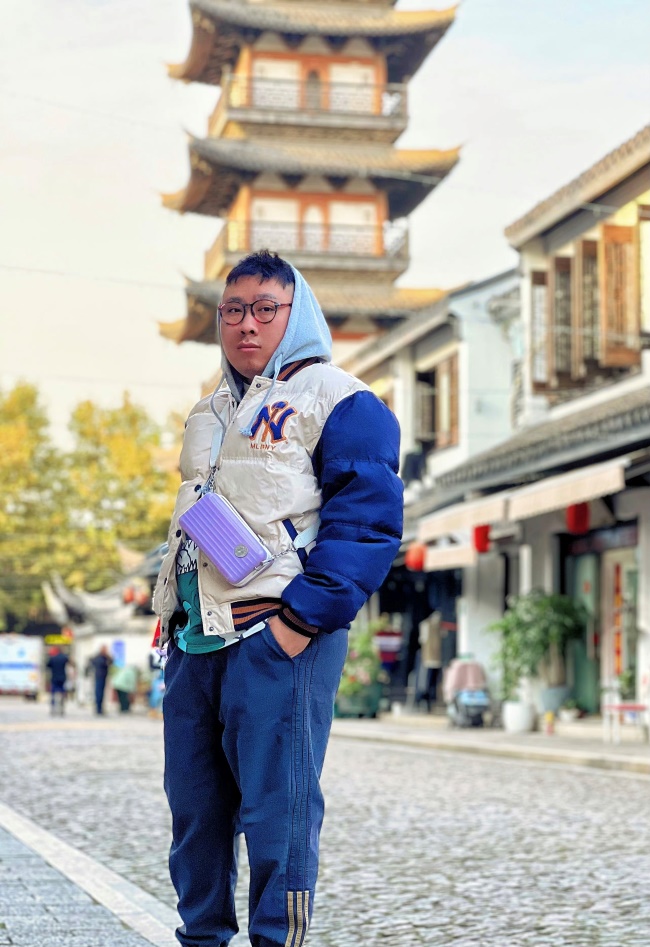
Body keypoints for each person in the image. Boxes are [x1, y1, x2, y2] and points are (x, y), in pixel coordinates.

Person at [153, 250, 403, 947]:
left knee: (278, 813)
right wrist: (170, 608)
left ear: (297, 315)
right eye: (233, 310)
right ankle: (201, 938)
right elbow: (195, 520)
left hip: (277, 636)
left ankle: (277, 941)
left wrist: (299, 624)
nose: (247, 324)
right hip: (196, 642)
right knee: (195, 813)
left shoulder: (341, 399)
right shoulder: (208, 411)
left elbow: (367, 525)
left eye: (266, 309)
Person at [46, 646, 71, 716]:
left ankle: (53, 707)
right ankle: (62, 707)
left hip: (54, 678)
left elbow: (47, 666)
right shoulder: (64, 658)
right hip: (62, 678)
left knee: (53, 693)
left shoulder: (52, 658)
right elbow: (70, 663)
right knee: (62, 691)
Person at [90, 645, 112, 715]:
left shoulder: (104, 657)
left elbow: (111, 661)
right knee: (98, 693)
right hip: (99, 676)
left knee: (101, 693)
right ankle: (98, 708)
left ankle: (100, 708)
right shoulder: (99, 657)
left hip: (103, 676)